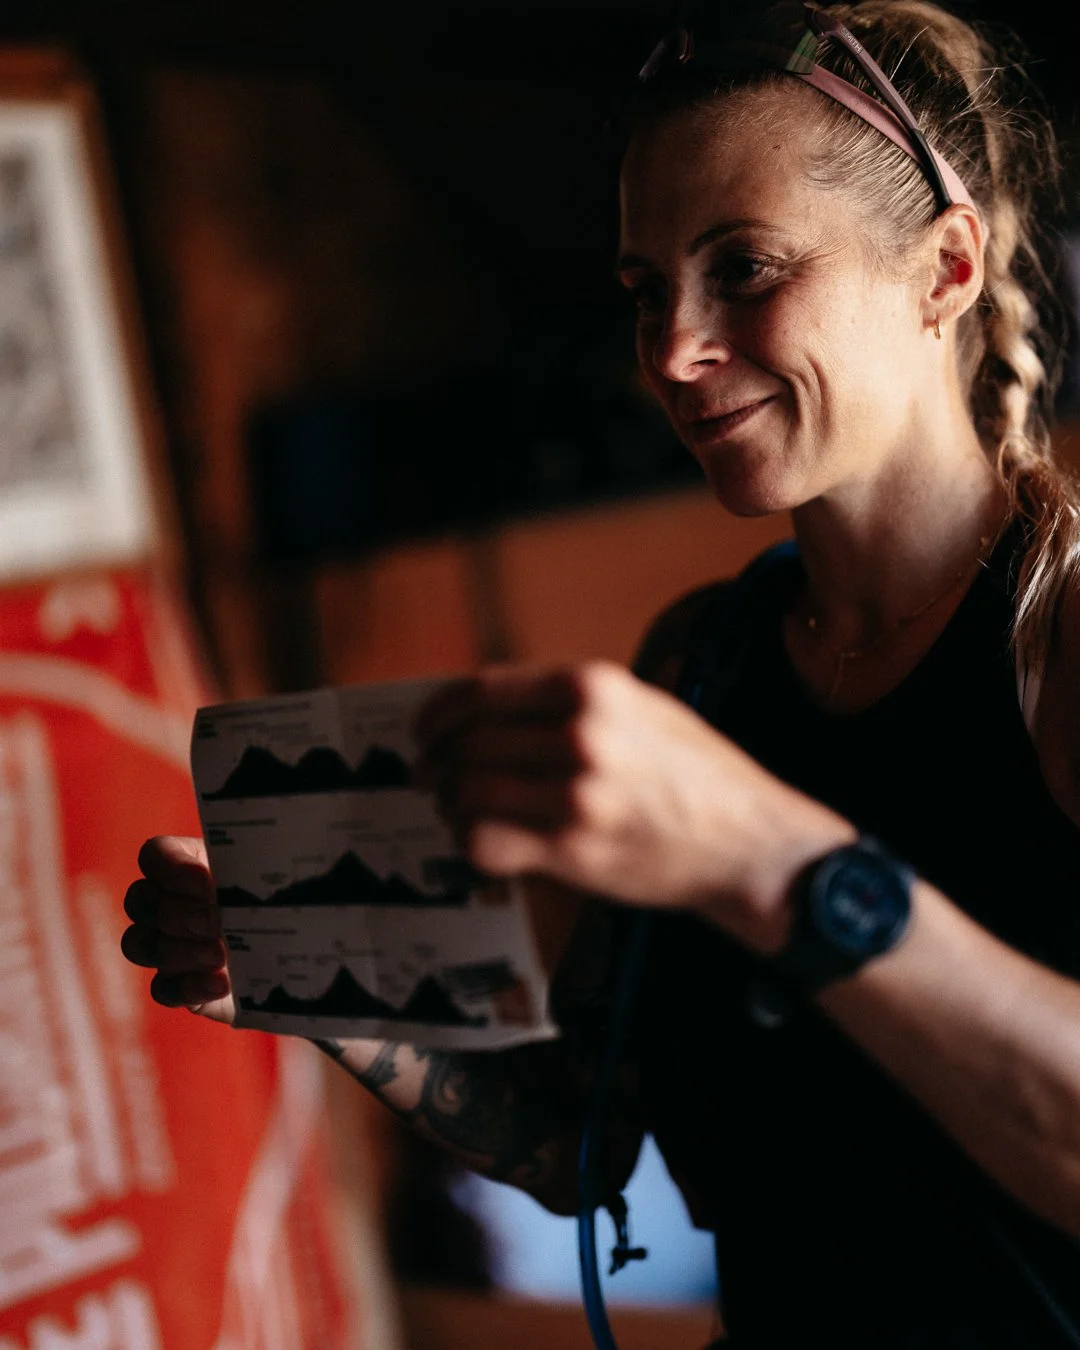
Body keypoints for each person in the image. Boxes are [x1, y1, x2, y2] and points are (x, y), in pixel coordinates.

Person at [122, 2, 1080, 1344]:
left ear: (946, 268)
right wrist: (325, 971)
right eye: (646, 293)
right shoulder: (703, 664)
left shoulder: (1057, 632)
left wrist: (762, 851)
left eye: (744, 267)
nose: (675, 353)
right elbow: (581, 1131)